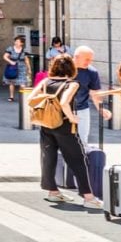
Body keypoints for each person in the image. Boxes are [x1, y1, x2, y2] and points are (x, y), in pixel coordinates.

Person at [34, 54, 102, 208]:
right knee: (78, 160)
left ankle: (53, 192)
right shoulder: (71, 84)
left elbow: (32, 97)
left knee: (48, 158)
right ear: (71, 68)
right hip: (65, 127)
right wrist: (72, 117)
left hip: (46, 125)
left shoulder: (46, 82)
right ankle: (89, 197)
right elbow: (65, 102)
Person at [71, 46, 111, 145]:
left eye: (91, 60)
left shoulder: (92, 72)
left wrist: (100, 108)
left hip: (81, 109)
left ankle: (81, 159)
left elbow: (95, 93)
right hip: (62, 110)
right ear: (76, 57)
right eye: (87, 59)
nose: (89, 62)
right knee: (62, 142)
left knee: (82, 141)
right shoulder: (63, 68)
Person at [2, 35, 31, 102]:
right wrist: (10, 61)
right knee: (12, 82)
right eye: (15, 41)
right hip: (12, 67)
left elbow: (26, 60)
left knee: (23, 83)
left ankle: (22, 97)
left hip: (22, 68)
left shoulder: (24, 50)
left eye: (18, 41)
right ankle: (11, 96)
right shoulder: (10, 49)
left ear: (22, 43)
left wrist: (29, 69)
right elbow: (5, 56)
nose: (16, 42)